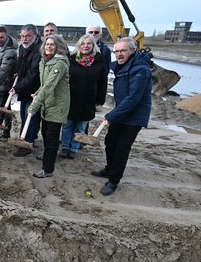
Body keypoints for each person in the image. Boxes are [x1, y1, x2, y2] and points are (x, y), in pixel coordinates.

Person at [91, 37, 152, 196]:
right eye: (116, 51)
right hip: (122, 112)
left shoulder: (140, 69)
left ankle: (113, 180)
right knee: (110, 141)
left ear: (132, 51)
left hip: (135, 116)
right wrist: (116, 114)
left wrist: (111, 115)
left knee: (121, 148)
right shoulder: (122, 66)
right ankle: (109, 169)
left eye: (123, 50)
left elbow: (133, 98)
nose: (119, 54)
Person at [60, 33, 109, 158]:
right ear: (79, 45)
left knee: (81, 126)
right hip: (71, 97)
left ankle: (74, 148)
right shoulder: (71, 59)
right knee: (67, 124)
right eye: (83, 43)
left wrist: (100, 100)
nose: (85, 46)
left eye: (89, 43)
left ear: (93, 45)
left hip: (88, 99)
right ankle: (65, 147)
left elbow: (103, 81)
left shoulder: (99, 60)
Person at [28, 35, 70, 178]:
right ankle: (47, 156)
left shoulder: (60, 64)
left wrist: (34, 105)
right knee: (45, 133)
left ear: (58, 46)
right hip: (48, 102)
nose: (49, 47)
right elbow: (44, 85)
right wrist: (38, 93)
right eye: (47, 44)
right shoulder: (44, 62)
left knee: (52, 137)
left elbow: (50, 85)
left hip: (58, 104)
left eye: (52, 44)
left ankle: (48, 169)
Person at [10, 24, 43, 156]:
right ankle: (27, 138)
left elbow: (34, 74)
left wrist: (17, 88)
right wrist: (17, 73)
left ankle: (27, 144)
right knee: (24, 116)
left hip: (33, 91)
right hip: (24, 89)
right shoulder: (22, 48)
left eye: (28, 36)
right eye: (22, 36)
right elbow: (22, 65)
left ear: (35, 36)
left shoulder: (39, 50)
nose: (24, 39)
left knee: (30, 117)